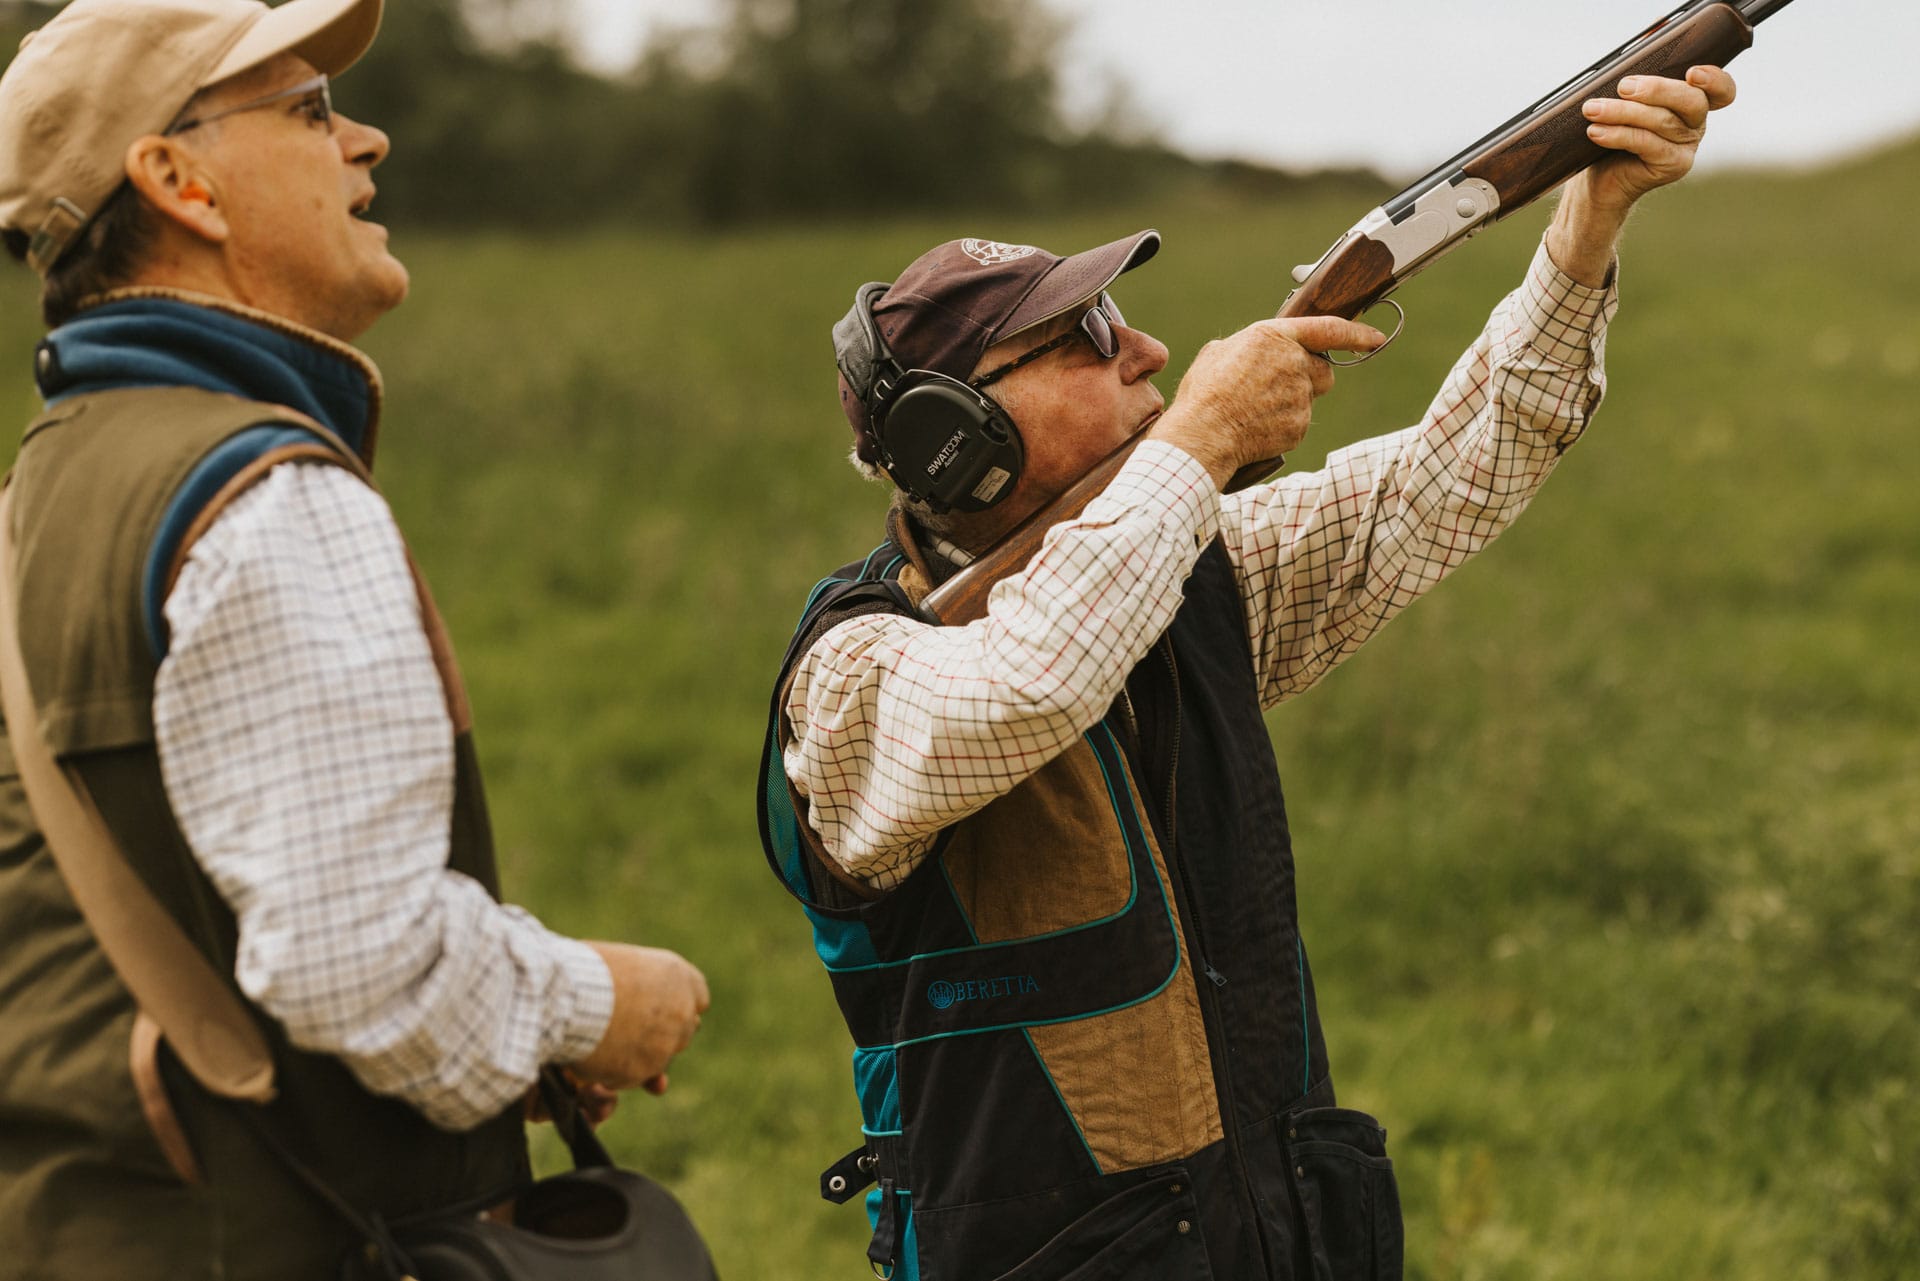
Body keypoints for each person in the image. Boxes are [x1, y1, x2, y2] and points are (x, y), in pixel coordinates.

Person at [756, 64, 1738, 1281]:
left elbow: (1451, 482)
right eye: (1086, 338)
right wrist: (1203, 437)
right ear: (947, 439)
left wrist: (1585, 227)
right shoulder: (854, 676)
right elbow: (1029, 685)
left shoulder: (1183, 570)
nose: (1149, 346)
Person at [0, 1, 708, 1276]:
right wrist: (596, 1002)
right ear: (178, 180)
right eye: (312, 111)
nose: (366, 141)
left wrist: (499, 1041)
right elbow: (354, 962)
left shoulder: (37, 492)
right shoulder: (265, 495)